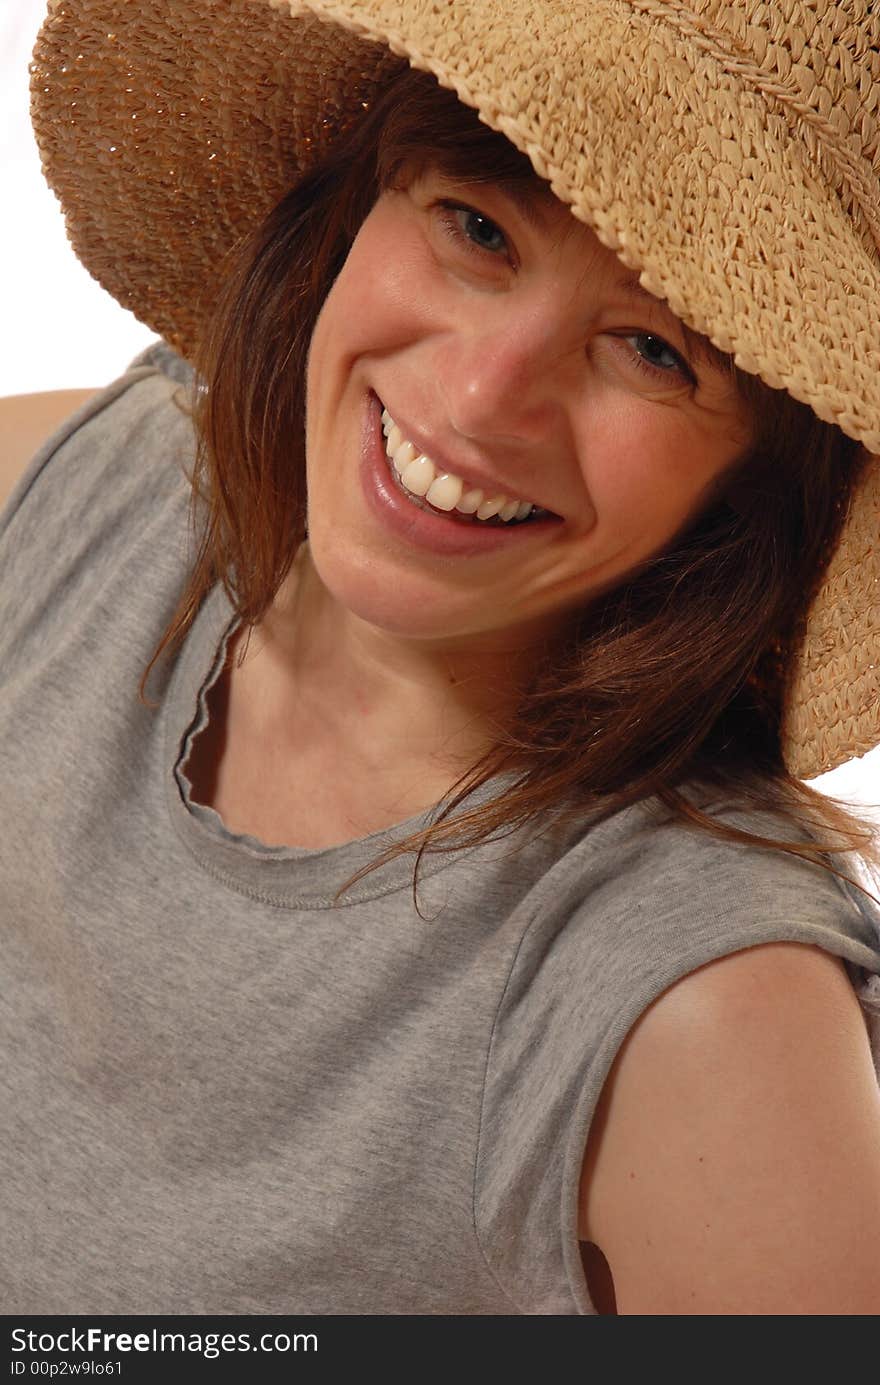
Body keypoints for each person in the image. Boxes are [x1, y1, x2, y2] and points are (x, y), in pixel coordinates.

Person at [2, 0, 880, 1316]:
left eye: (654, 350)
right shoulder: (57, 502)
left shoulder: (704, 1014)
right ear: (358, 202)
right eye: (478, 226)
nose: (478, 402)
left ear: (767, 477)